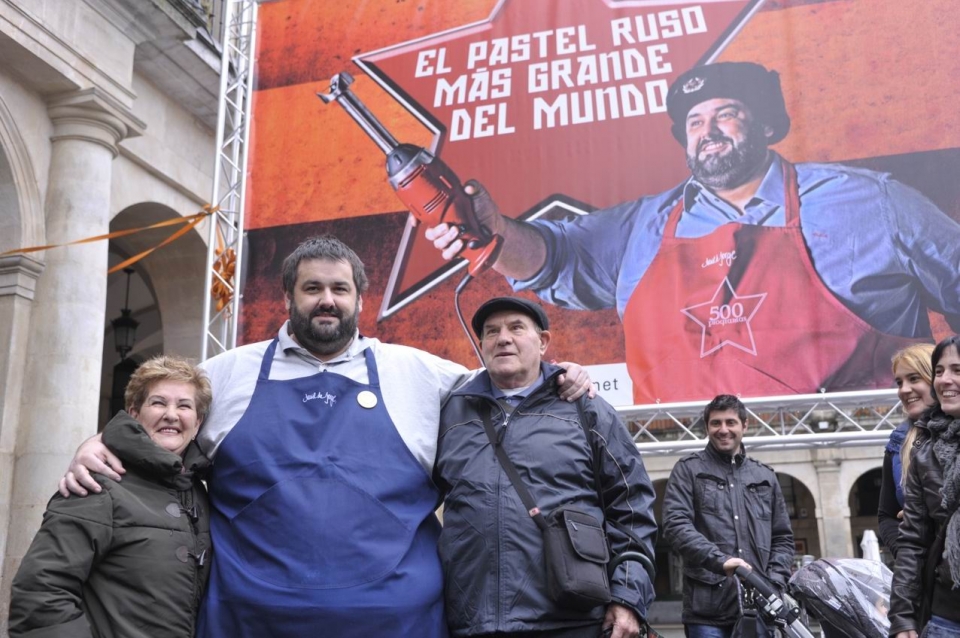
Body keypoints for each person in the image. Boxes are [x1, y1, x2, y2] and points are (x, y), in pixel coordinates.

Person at [57, 236, 592, 638]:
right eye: (313, 288)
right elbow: (160, 420)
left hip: (398, 621)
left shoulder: (419, 372)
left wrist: (562, 374)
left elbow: (511, 387)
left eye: (340, 289)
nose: (327, 300)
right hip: (250, 620)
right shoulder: (227, 373)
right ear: (289, 295)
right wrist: (98, 443)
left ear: (360, 298)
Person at [427, 61, 960, 404]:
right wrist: (495, 232)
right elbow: (553, 258)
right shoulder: (640, 227)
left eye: (726, 114)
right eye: (695, 122)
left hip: (860, 460)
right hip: (682, 476)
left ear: (765, 125)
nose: (709, 131)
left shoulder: (871, 201)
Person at [435, 296, 656, 638]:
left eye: (516, 328)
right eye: (491, 332)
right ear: (481, 346)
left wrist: (628, 597)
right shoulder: (450, 414)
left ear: (543, 342)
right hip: (473, 621)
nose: (503, 338)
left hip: (572, 620)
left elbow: (631, 506)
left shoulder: (587, 409)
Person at [9, 356, 212, 637]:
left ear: (197, 422)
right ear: (134, 414)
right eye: (158, 402)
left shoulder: (199, 492)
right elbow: (41, 592)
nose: (171, 414)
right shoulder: (95, 485)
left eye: (184, 406)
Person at [661, 394, 794, 637]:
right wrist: (720, 561)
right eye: (716, 423)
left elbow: (782, 538)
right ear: (707, 427)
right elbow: (675, 525)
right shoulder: (688, 469)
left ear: (745, 425)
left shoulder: (765, 476)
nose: (723, 430)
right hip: (707, 612)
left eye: (730, 422)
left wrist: (772, 584)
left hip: (760, 610)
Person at [890, 335, 960, 638]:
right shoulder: (925, 453)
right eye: (939, 371)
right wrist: (903, 617)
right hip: (947, 618)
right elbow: (913, 542)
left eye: (957, 370)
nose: (945, 380)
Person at [877, 344, 935, 558]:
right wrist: (906, 555)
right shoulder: (897, 444)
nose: (903, 390)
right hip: (924, 568)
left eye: (914, 378)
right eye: (899, 382)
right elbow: (887, 515)